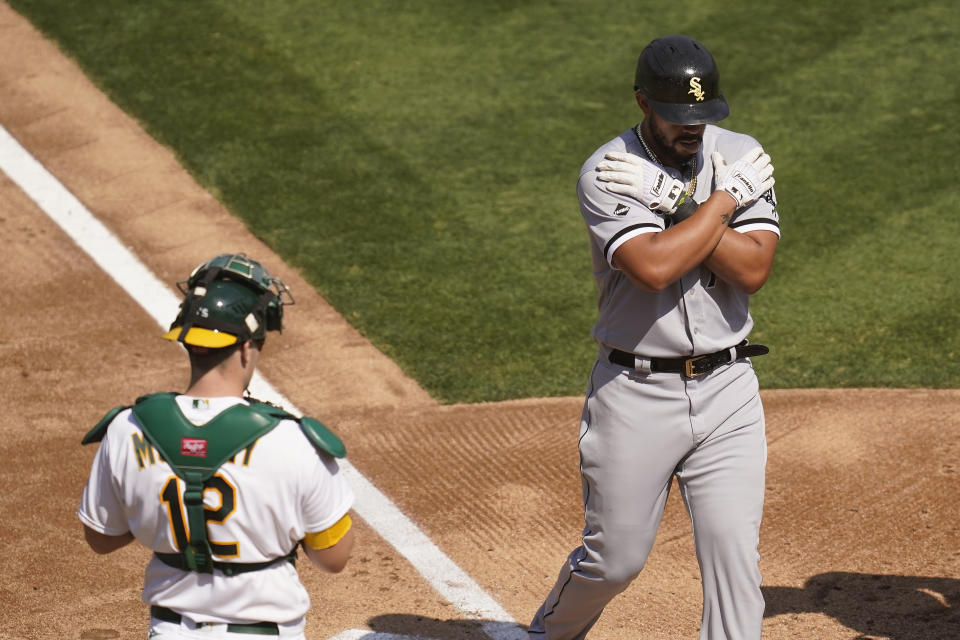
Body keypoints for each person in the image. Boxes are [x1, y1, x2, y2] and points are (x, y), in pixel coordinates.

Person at [528, 35, 780, 640]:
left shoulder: (740, 156)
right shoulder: (608, 171)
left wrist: (683, 203)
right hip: (636, 394)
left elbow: (752, 270)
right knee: (616, 559)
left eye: (704, 115)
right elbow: (655, 266)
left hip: (729, 392)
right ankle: (549, 634)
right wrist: (718, 206)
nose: (693, 128)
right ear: (643, 102)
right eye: (678, 116)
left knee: (733, 557)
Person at [78, 253, 355, 639]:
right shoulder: (293, 441)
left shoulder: (127, 429)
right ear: (245, 348)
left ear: (188, 342)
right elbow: (334, 559)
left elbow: (102, 538)